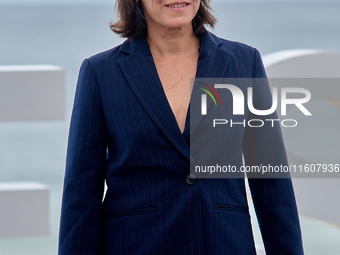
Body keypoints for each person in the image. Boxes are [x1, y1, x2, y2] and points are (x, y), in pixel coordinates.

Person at [58, 0, 304, 254]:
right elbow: (81, 195)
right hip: (137, 245)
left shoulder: (243, 63)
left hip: (224, 244)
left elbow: (273, 187)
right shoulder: (100, 72)